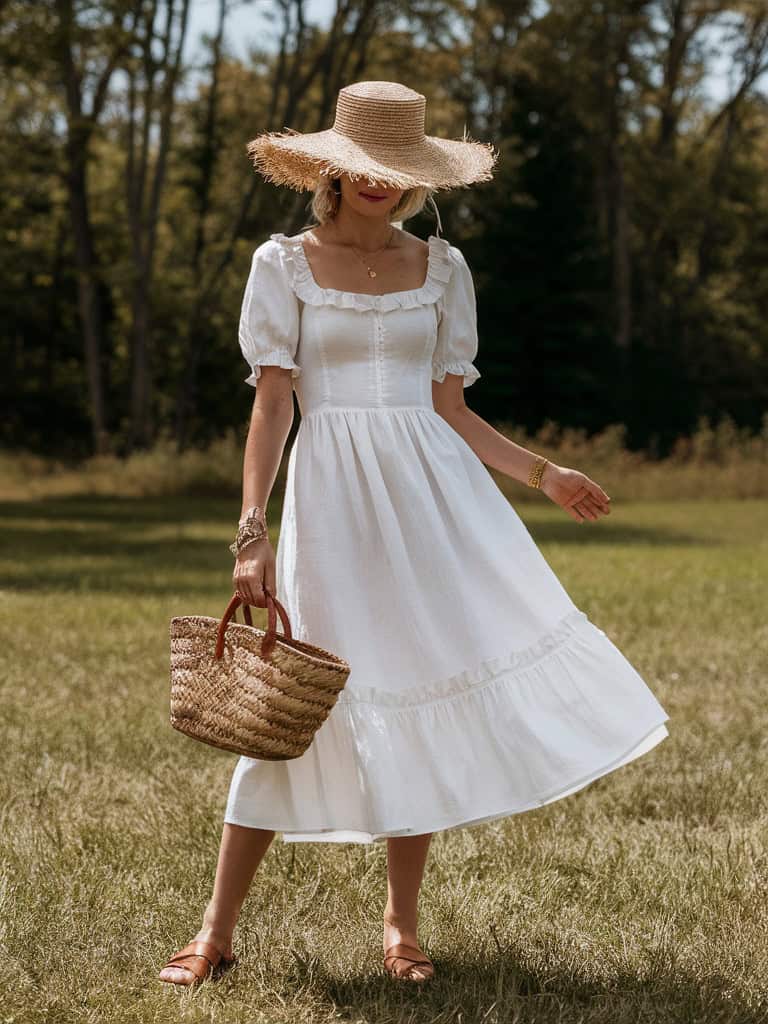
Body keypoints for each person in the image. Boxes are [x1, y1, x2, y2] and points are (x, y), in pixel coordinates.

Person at [159, 80, 670, 988]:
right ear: (330, 168)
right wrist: (251, 530)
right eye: (363, 167)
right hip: (331, 503)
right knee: (288, 710)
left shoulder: (442, 268)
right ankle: (216, 930)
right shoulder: (283, 265)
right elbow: (272, 407)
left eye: (397, 171)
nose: (379, 184)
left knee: (418, 688)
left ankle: (401, 929)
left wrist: (544, 474)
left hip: (432, 500)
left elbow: (452, 413)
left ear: (417, 179)